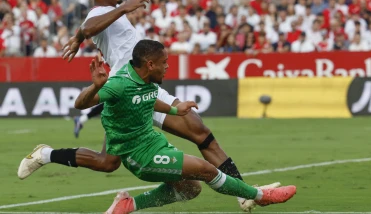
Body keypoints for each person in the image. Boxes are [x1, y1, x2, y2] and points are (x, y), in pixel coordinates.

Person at [17, 0, 280, 212]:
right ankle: (45, 155)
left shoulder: (107, 13)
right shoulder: (103, 12)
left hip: (142, 88)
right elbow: (89, 27)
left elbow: (86, 31)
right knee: (113, 161)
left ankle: (244, 194)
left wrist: (76, 39)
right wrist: (110, 16)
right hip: (126, 91)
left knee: (191, 137)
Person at [80, 40, 297, 213]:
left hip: (154, 143)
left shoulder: (145, 81)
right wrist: (95, 86)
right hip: (139, 156)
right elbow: (81, 103)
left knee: (191, 189)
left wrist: (175, 110)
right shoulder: (119, 83)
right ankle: (260, 196)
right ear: (150, 64)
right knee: (205, 169)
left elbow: (148, 99)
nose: (167, 66)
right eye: (164, 62)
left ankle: (129, 205)